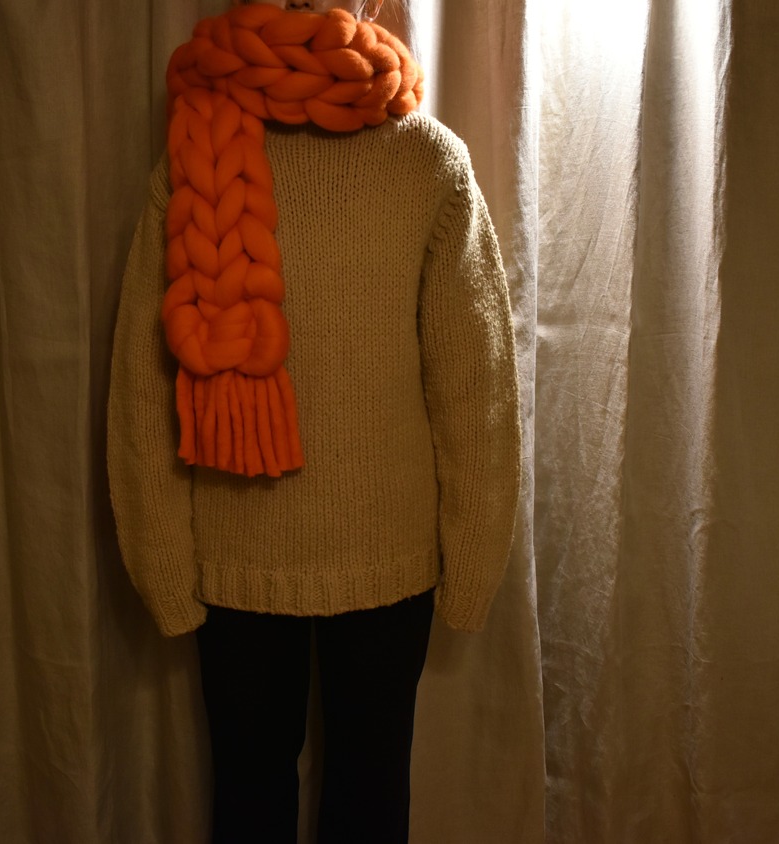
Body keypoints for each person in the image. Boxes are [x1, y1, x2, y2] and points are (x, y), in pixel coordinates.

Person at [106, 0, 519, 840]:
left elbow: (474, 384)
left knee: (368, 799)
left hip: (390, 564)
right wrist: (162, 565)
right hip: (237, 567)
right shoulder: (196, 157)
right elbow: (145, 383)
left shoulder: (428, 162)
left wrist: (475, 558)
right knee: (251, 801)